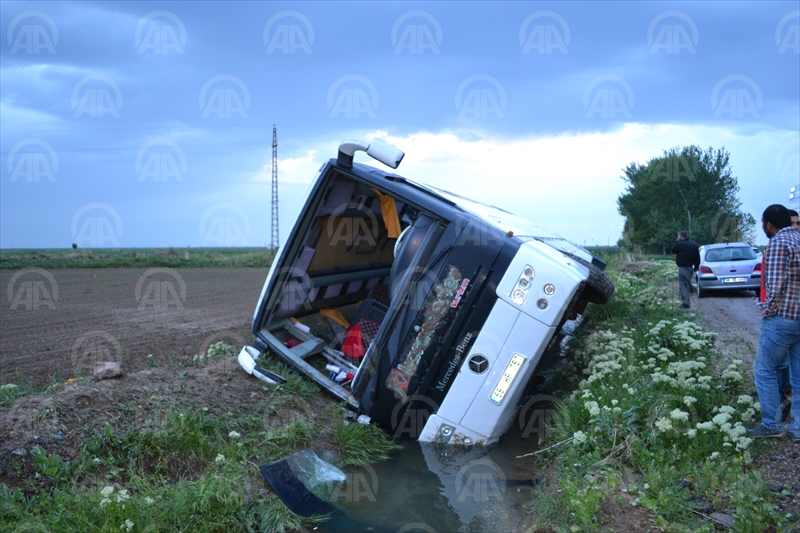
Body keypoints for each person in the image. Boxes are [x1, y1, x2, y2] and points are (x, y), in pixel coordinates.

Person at [746, 204, 800, 440]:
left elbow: (775, 286)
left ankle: (772, 425)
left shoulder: (778, 243)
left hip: (783, 319)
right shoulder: (798, 240)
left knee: (764, 369)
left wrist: (767, 310)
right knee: (798, 376)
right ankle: (797, 429)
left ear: (769, 224)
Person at [671, 230, 700, 309]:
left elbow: (673, 250)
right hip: (690, 268)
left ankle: (686, 303)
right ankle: (687, 301)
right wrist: (696, 267)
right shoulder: (693, 245)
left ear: (681, 236)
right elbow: (698, 257)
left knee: (683, 285)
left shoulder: (680, 245)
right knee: (687, 284)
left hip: (683, 267)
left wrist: (677, 241)